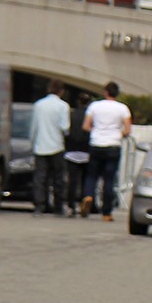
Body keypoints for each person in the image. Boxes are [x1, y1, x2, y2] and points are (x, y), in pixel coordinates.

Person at [80, 81, 132, 222]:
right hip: (113, 145)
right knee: (109, 180)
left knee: (92, 175)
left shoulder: (95, 106)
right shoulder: (123, 108)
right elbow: (127, 130)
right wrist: (117, 135)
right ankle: (106, 213)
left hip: (96, 144)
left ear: (105, 92)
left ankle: (88, 195)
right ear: (117, 93)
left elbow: (86, 126)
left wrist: (96, 132)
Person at [29, 79, 69, 216]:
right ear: (61, 92)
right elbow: (65, 127)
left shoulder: (39, 105)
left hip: (40, 145)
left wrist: (32, 142)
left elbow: (34, 126)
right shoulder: (63, 106)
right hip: (56, 145)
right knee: (58, 178)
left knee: (40, 177)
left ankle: (39, 205)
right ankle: (58, 206)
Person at [63, 92, 91, 216]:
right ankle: (83, 203)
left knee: (72, 181)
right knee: (85, 180)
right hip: (87, 152)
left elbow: (66, 131)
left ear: (78, 102)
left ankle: (71, 205)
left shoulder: (71, 115)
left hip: (71, 151)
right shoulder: (90, 116)